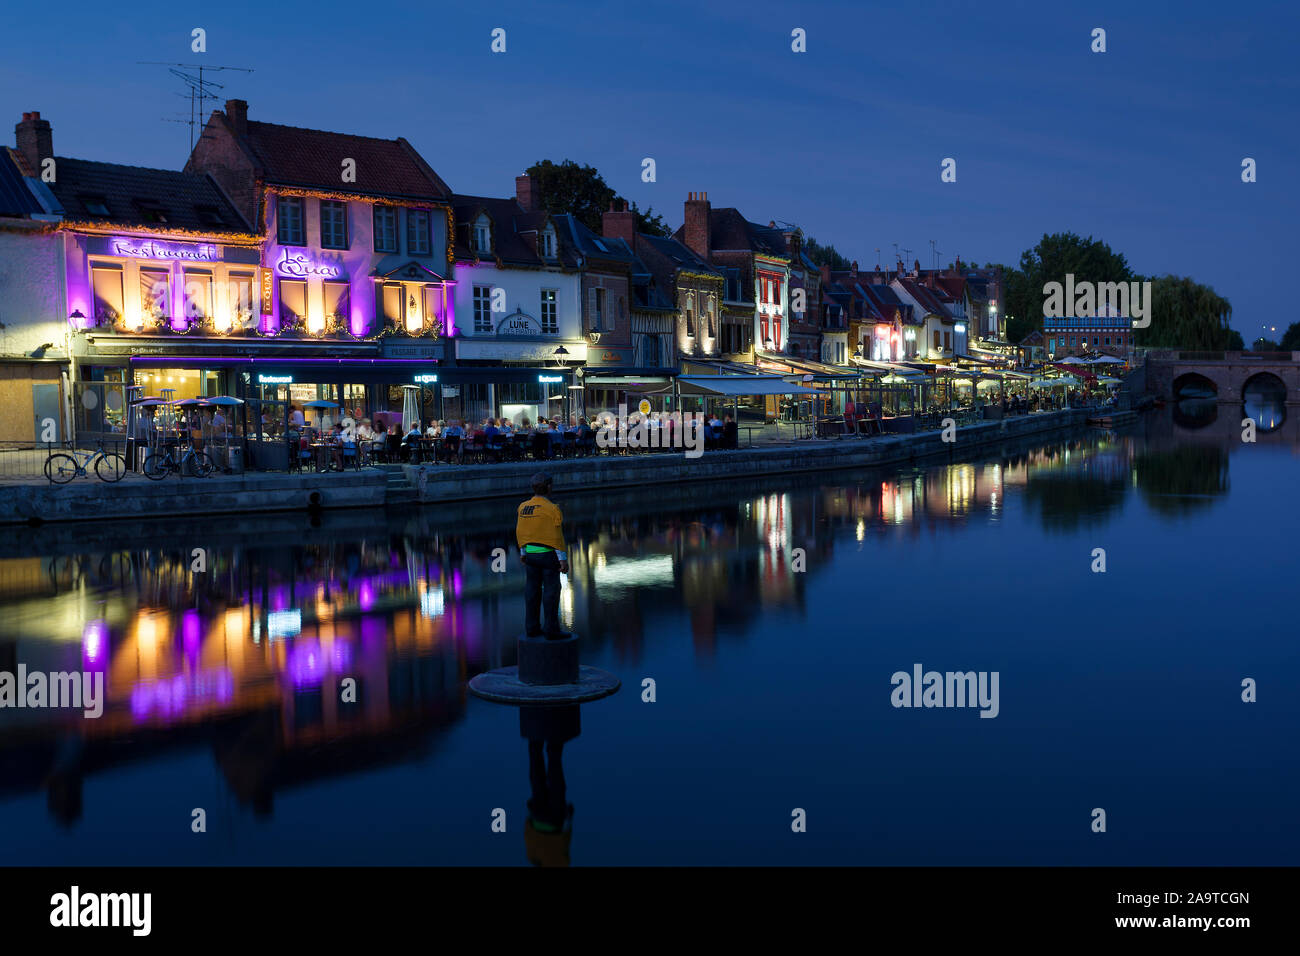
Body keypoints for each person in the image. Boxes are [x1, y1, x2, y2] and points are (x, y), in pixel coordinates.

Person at [515, 472, 569, 639]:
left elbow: (521, 531)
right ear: (549, 487)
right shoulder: (552, 509)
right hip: (548, 556)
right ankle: (551, 630)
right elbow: (556, 536)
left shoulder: (523, 507)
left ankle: (531, 628)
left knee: (531, 590)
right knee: (551, 591)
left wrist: (523, 552)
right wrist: (563, 559)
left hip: (530, 555)